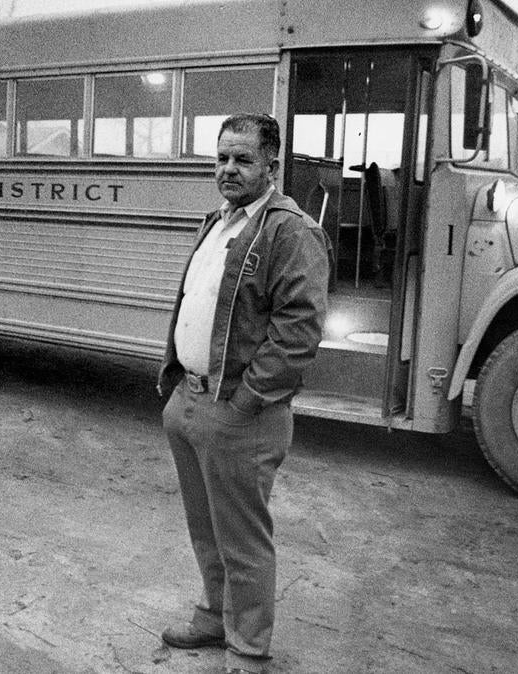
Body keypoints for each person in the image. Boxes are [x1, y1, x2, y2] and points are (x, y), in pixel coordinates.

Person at [157, 113, 330, 674]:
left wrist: (247, 400)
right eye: (222, 158)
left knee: (243, 540)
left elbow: (298, 331)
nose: (228, 169)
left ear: (271, 166)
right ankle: (215, 617)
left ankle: (248, 649)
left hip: (239, 412)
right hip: (190, 399)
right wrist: (178, 386)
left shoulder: (291, 231)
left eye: (243, 159)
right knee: (206, 529)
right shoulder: (219, 221)